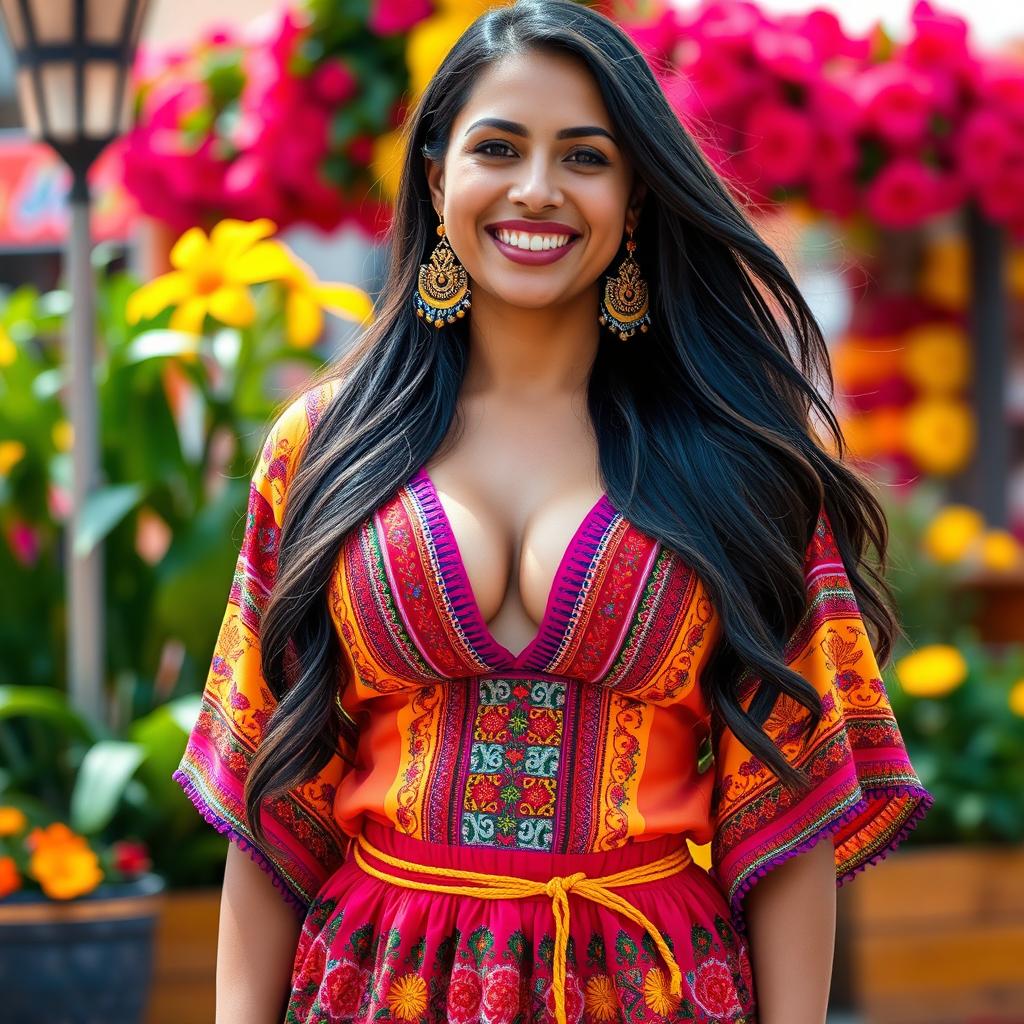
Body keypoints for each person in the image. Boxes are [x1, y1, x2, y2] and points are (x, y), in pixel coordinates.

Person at [172, 2, 933, 1021]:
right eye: (498, 147)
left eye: (585, 157)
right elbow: (274, 801)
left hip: (651, 987)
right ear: (438, 175)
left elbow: (783, 804)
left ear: (635, 198)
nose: (537, 189)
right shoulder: (321, 451)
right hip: (374, 983)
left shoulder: (740, 458)